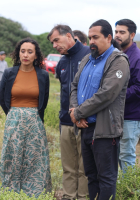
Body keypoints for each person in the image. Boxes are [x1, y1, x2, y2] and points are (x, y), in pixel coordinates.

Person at [69, 19, 130, 200]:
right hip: (85, 128)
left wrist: (79, 113)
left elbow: (106, 94)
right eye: (89, 38)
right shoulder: (87, 59)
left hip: (104, 131)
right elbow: (74, 85)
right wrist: (74, 111)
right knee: (91, 176)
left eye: (96, 37)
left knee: (106, 178)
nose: (91, 42)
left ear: (109, 37)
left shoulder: (118, 61)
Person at [0, 38, 51, 197]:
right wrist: (15, 115)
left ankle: (33, 193)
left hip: (35, 121)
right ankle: (11, 192)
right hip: (14, 120)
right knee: (12, 157)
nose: (26, 55)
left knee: (35, 159)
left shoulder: (43, 75)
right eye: (23, 51)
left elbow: (44, 101)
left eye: (30, 52)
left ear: (36, 56)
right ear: (18, 54)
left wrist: (32, 116)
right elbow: (2, 99)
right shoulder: (9, 73)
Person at [47, 25, 90, 200]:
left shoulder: (89, 55)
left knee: (84, 166)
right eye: (52, 43)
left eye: (56, 40)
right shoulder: (62, 62)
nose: (54, 46)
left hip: (86, 121)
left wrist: (83, 113)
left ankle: (83, 197)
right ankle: (68, 196)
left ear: (69, 36)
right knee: (68, 166)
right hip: (66, 121)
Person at [115, 19, 140, 173]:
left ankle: (129, 191)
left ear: (132, 35)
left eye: (122, 32)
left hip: (132, 115)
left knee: (126, 155)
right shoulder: (118, 55)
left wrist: (115, 96)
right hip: (119, 114)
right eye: (116, 31)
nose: (118, 35)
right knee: (117, 155)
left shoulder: (139, 59)